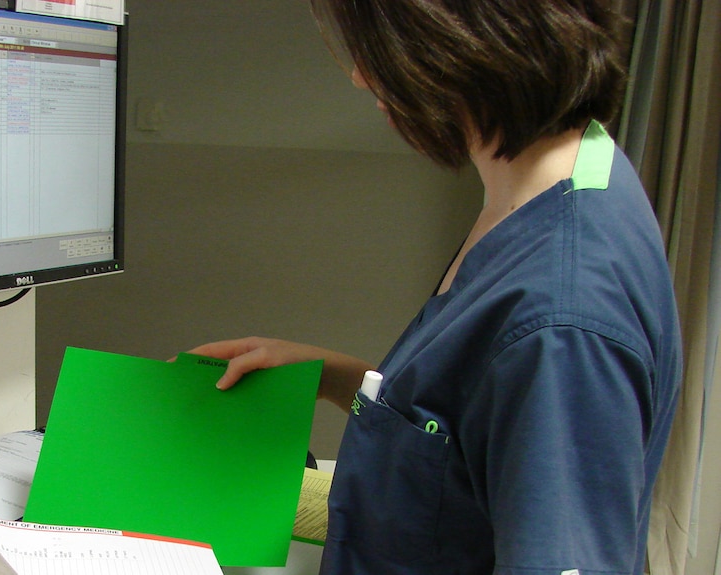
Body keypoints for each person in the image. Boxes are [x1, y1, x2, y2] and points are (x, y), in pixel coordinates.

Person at [186, 1, 682, 574]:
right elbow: (471, 440)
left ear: (465, 38)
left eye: (379, 46)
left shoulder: (560, 320)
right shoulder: (572, 175)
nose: (361, 74)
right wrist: (333, 376)